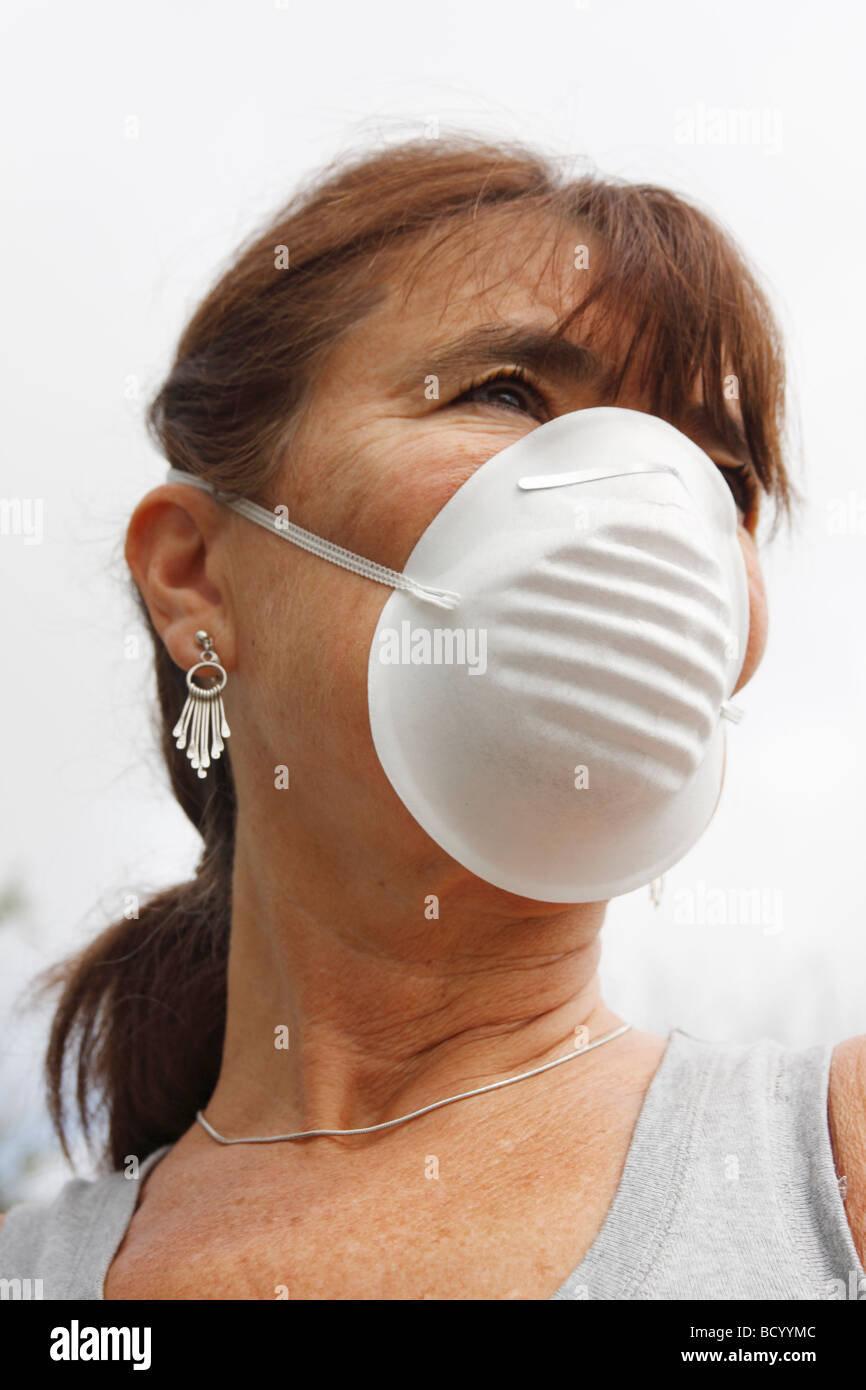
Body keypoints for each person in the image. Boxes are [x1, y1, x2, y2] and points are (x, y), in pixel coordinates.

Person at [2, 135, 864, 1301]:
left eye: (720, 471)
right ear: (196, 578)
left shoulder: (833, 1171)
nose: (648, 506)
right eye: (505, 393)